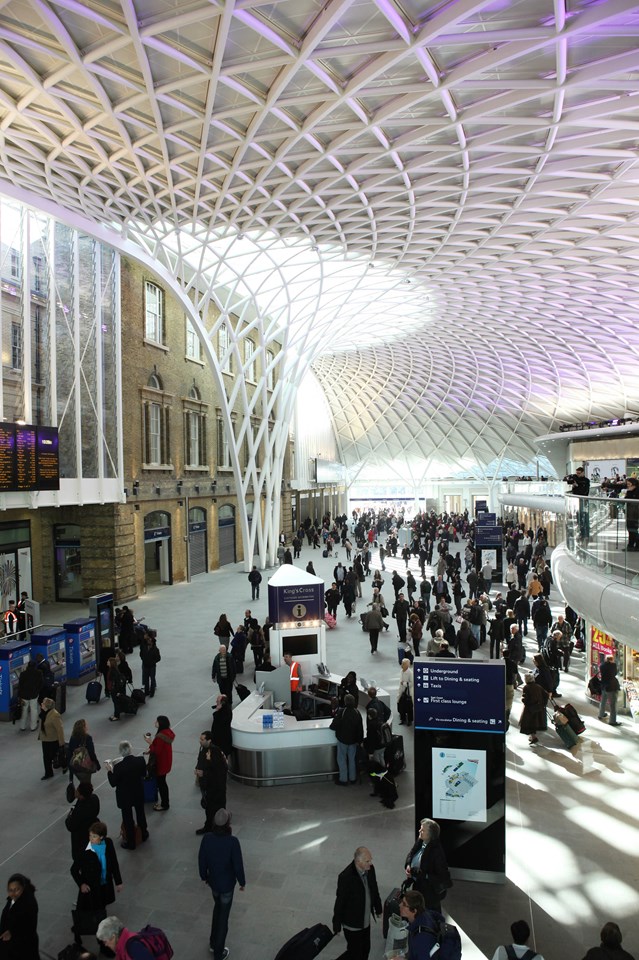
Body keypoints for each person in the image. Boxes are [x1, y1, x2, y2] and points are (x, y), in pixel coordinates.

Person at [198, 809, 246, 960]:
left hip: (214, 884)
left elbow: (201, 860)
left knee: (217, 909)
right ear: (228, 824)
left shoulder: (207, 838)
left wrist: (204, 876)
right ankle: (219, 953)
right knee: (223, 918)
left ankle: (213, 942)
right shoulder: (232, 842)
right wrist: (242, 882)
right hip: (227, 886)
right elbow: (238, 865)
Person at [70, 821, 122, 946]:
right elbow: (73, 870)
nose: (90, 838)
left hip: (103, 886)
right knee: (83, 913)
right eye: (90, 835)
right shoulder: (85, 851)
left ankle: (102, 944)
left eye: (94, 836)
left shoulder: (108, 844)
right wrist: (81, 884)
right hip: (90, 889)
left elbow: (114, 863)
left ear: (102, 837)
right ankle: (78, 937)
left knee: (101, 915)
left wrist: (118, 881)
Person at [332, 846, 382, 960]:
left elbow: (374, 889)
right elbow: (340, 902)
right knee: (355, 953)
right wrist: (336, 925)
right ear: (358, 861)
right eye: (367, 861)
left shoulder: (370, 870)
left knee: (365, 949)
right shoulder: (346, 877)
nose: (370, 864)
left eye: (370, 860)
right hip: (352, 925)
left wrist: (378, 908)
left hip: (365, 922)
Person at [105, 741, 148, 851]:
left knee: (127, 818)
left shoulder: (119, 767)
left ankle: (131, 842)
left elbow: (113, 782)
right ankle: (144, 833)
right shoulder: (140, 760)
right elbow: (144, 774)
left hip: (125, 796)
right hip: (138, 792)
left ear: (121, 752)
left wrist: (110, 771)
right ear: (131, 749)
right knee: (140, 813)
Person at [404, 818, 452, 913]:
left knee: (428, 916)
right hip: (419, 887)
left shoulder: (437, 852)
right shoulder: (421, 841)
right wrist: (408, 865)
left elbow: (442, 876)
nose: (419, 831)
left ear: (430, 834)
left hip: (429, 894)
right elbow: (411, 854)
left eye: (422, 830)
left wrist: (423, 875)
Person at [0, 872, 40, 960]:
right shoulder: (13, 899)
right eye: (10, 890)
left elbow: (29, 926)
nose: (13, 893)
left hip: (22, 948)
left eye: (16, 889)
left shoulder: (28, 904)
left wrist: (12, 932)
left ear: (23, 888)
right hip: (11, 945)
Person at [399, 890, 448, 960]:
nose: (400, 905)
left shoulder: (421, 937)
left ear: (414, 911)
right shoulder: (425, 914)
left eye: (404, 904)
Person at [195, 731, 228, 835]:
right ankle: (208, 826)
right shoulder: (203, 750)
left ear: (209, 740)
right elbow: (200, 763)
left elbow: (219, 772)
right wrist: (197, 770)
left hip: (216, 788)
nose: (200, 741)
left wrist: (204, 773)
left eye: (202, 739)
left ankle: (219, 828)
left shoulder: (215, 752)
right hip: (207, 786)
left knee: (217, 808)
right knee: (208, 808)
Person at [96, 916, 172, 960]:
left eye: (105, 941)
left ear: (113, 937)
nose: (105, 945)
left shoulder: (134, 947)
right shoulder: (123, 944)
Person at [331, 693, 363, 785]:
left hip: (343, 740)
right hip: (353, 741)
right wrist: (359, 741)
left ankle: (343, 779)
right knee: (352, 759)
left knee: (341, 759)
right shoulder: (357, 713)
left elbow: (334, 725)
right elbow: (360, 729)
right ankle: (353, 778)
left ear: (345, 702)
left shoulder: (342, 712)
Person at [144, 715, 175, 812]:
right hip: (166, 761)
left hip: (161, 763)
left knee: (162, 784)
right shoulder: (168, 733)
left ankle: (165, 804)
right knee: (162, 782)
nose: (155, 723)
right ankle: (164, 802)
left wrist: (149, 742)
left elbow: (157, 751)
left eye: (156, 721)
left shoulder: (160, 736)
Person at [65, 782, 101, 862]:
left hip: (81, 837)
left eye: (77, 790)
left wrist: (69, 817)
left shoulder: (80, 810)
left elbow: (71, 826)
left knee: (81, 857)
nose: (75, 791)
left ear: (81, 795)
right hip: (92, 831)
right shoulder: (94, 798)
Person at [37, 696, 65, 780]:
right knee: (46, 757)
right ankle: (48, 773)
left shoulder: (55, 715)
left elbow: (60, 729)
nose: (41, 704)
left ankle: (64, 764)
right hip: (45, 738)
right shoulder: (43, 713)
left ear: (47, 706)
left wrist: (61, 742)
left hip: (53, 739)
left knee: (53, 755)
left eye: (43, 703)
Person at [67, 718, 100, 785]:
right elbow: (91, 752)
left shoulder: (73, 737)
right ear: (83, 727)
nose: (87, 726)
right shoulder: (87, 738)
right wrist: (97, 763)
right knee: (86, 783)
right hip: (85, 766)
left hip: (75, 765)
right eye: (86, 725)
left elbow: (70, 751)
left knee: (82, 782)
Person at [519, 673, 547, 745]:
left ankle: (533, 737)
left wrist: (523, 699)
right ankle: (532, 736)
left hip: (530, 709)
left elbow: (526, 699)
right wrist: (543, 704)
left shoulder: (526, 687)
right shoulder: (538, 686)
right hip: (538, 708)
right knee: (534, 723)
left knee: (529, 723)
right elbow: (546, 695)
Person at [17, 660, 43, 732]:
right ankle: (33, 726)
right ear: (35, 666)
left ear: (28, 666)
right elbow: (41, 683)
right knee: (34, 709)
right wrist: (37, 691)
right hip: (34, 694)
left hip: (24, 695)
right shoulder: (38, 673)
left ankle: (22, 726)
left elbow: (20, 686)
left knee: (24, 710)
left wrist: (19, 696)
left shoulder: (23, 674)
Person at [598, 655, 621, 725]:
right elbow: (615, 673)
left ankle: (601, 714)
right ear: (612, 659)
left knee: (603, 701)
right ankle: (612, 721)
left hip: (604, 686)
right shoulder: (613, 665)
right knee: (613, 705)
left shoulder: (601, 665)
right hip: (611, 687)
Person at [139, 629, 161, 698]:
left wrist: (153, 662)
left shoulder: (155, 649)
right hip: (146, 664)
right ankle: (146, 692)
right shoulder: (144, 646)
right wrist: (143, 659)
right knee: (146, 678)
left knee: (152, 678)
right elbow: (141, 653)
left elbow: (158, 658)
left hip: (152, 666)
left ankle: (152, 692)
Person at [107, 656, 126, 722]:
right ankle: (116, 714)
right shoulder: (112, 669)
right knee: (115, 702)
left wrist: (117, 691)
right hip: (113, 689)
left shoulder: (113, 671)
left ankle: (117, 716)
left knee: (116, 702)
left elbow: (116, 682)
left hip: (114, 689)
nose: (107, 662)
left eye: (108, 661)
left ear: (111, 663)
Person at [624, 477, 639, 551]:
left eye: (629, 484)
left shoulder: (636, 492)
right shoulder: (629, 491)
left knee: (634, 529)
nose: (628, 486)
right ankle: (631, 544)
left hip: (635, 513)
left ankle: (636, 545)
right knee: (630, 529)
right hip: (630, 513)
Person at [397, 658, 414, 726]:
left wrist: (404, 683)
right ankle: (403, 719)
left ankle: (410, 720)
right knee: (401, 706)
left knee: (409, 707)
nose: (402, 665)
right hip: (401, 692)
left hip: (408, 693)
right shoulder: (401, 671)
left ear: (407, 665)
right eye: (402, 663)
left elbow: (412, 683)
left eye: (403, 664)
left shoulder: (410, 673)